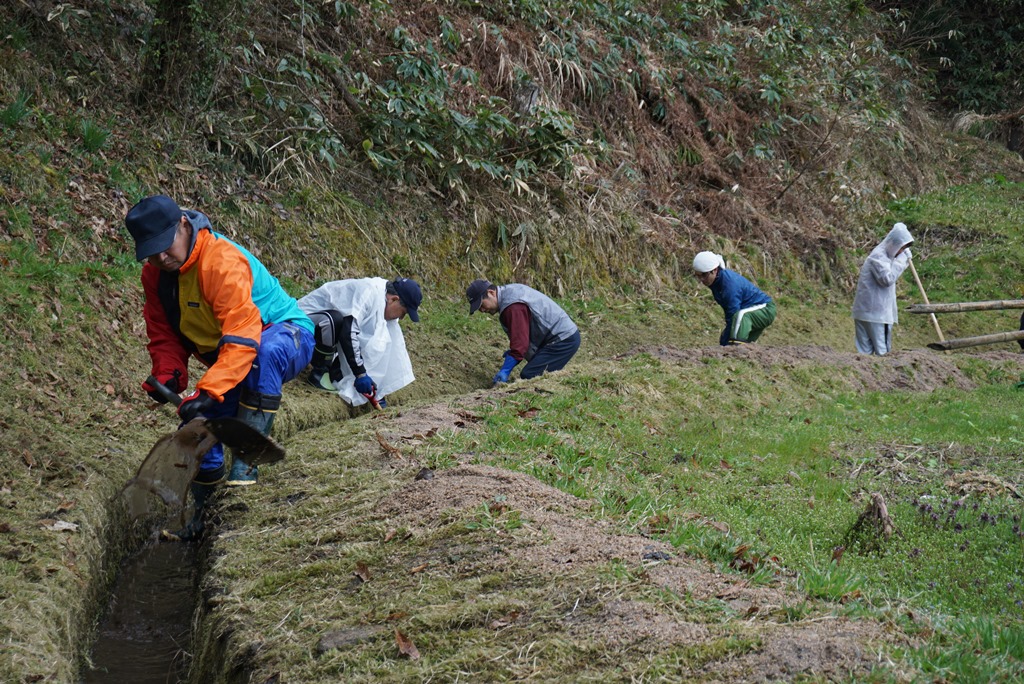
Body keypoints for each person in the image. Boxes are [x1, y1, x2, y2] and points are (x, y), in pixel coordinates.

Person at [124, 194, 315, 539]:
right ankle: (203, 517)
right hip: (233, 354)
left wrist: (211, 390)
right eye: (151, 252)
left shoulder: (221, 262)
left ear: (183, 225)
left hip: (284, 336)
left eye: (166, 246)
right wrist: (169, 375)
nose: (161, 257)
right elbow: (164, 333)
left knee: (264, 354)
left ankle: (246, 463)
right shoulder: (155, 275)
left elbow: (244, 336)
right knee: (196, 425)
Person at [297, 277, 420, 407]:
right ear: (394, 299)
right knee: (335, 320)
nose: (401, 317)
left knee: (356, 330)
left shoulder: (383, 302)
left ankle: (334, 373)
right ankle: (319, 373)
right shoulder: (369, 292)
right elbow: (348, 332)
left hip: (327, 333)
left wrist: (375, 387)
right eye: (403, 313)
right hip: (303, 323)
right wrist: (360, 374)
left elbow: (372, 345)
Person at [466, 279, 580, 385]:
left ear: (491, 292)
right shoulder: (510, 293)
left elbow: (520, 344)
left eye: (481, 304)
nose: (481, 310)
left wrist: (506, 369)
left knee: (529, 376)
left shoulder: (513, 307)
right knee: (535, 371)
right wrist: (514, 353)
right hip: (558, 336)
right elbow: (524, 335)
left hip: (563, 339)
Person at [851, 222, 914, 355]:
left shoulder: (884, 257)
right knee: (882, 354)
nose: (901, 251)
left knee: (864, 354)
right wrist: (902, 260)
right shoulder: (879, 256)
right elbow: (887, 279)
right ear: (894, 244)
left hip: (868, 312)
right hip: (876, 315)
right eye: (901, 248)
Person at [693, 251, 776, 346]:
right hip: (748, 312)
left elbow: (733, 313)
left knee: (735, 336)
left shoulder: (729, 284)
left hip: (765, 309)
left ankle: (734, 350)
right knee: (744, 346)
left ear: (715, 270)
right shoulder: (716, 282)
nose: (701, 280)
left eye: (704, 275)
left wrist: (727, 341)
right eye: (698, 275)